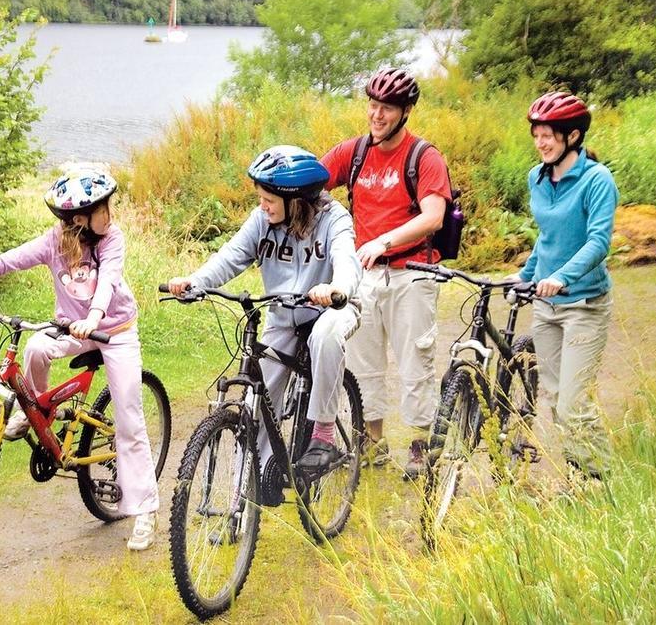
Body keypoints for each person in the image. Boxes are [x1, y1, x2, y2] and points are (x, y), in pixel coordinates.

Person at [0, 167, 160, 550]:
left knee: (128, 418)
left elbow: (108, 280)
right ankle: (37, 413)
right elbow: (6, 261)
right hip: (71, 328)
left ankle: (143, 510)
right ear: (79, 219)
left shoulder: (112, 240)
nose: (111, 214)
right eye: (103, 209)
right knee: (35, 347)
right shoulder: (53, 243)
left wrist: (93, 318)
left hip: (115, 331)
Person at [167, 145, 362, 476]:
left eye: (269, 199)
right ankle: (247, 496)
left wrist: (336, 288)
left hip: (333, 306)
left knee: (326, 337)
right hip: (284, 315)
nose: (262, 205)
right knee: (256, 404)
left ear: (295, 200)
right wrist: (194, 282)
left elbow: (347, 259)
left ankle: (323, 437)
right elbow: (231, 256)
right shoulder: (263, 220)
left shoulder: (334, 219)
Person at [320, 68, 452, 480]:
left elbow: (433, 217)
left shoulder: (423, 157)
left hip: (412, 272)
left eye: (387, 108)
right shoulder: (354, 153)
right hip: (365, 275)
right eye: (373, 106)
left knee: (416, 361)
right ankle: (372, 442)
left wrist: (384, 241)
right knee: (363, 363)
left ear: (406, 111)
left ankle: (419, 443)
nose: (377, 115)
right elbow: (312, 183)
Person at [508, 90, 617, 480]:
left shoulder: (596, 180)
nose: (540, 142)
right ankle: (578, 475)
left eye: (548, 134)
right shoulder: (536, 178)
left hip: (584, 304)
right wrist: (527, 273)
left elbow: (598, 241)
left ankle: (601, 480)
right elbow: (547, 236)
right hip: (546, 305)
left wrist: (560, 278)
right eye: (536, 134)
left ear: (572, 136)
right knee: (555, 401)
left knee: (574, 403)